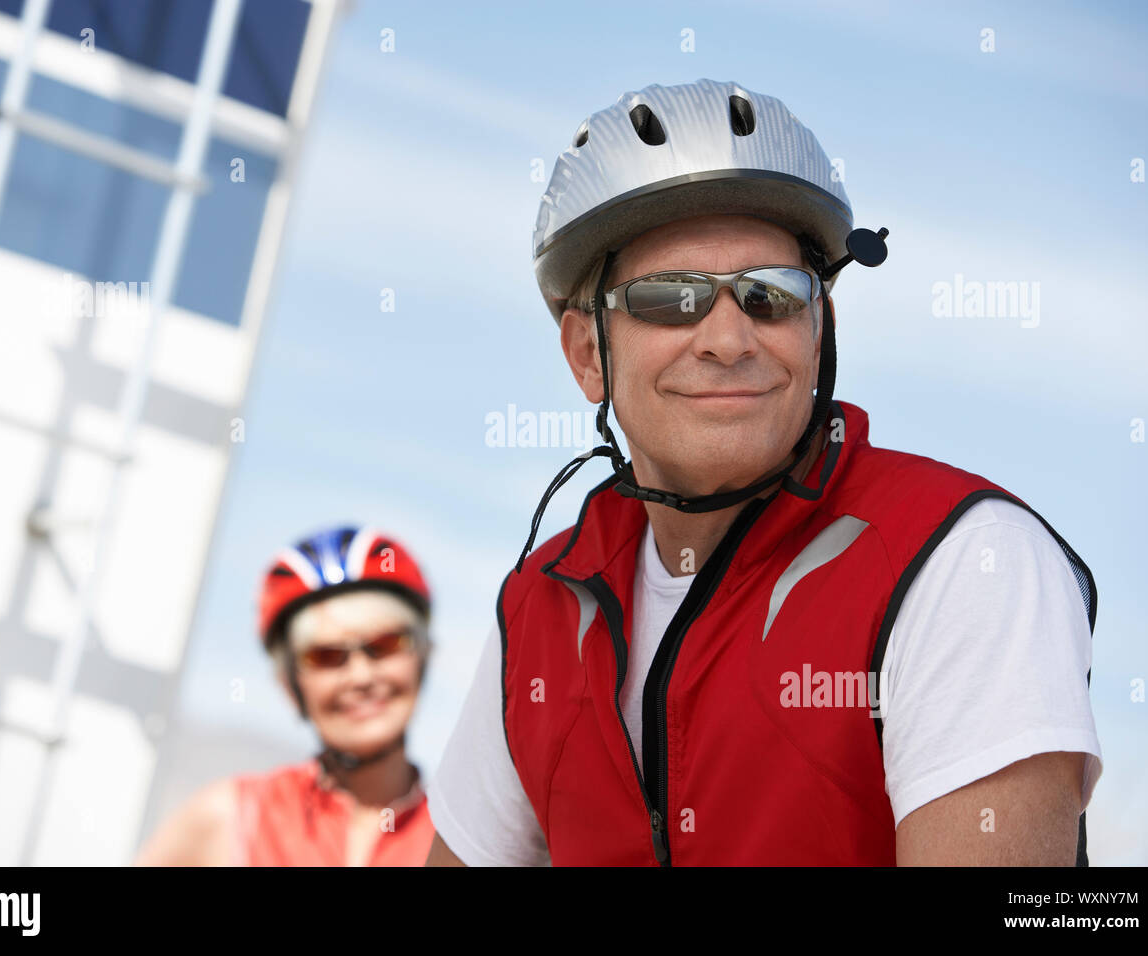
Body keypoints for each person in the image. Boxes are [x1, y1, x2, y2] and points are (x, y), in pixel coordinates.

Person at [425, 80, 1101, 866]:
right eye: (669, 297)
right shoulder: (540, 606)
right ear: (587, 356)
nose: (727, 337)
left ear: (820, 329)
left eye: (770, 295)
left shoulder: (963, 559)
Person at [136, 525, 437, 866]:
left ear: (425, 656)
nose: (361, 676)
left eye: (384, 645)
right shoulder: (227, 820)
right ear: (288, 684)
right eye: (325, 656)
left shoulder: (470, 844)